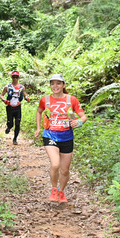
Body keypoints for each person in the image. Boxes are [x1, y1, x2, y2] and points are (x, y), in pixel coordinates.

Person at [34, 74, 87, 203]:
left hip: (67, 137)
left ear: (63, 85)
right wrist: (38, 128)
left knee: (65, 170)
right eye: (53, 83)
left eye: (58, 83)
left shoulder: (72, 99)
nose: (55, 86)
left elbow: (83, 116)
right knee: (55, 163)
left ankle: (61, 192)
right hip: (50, 135)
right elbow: (39, 111)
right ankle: (53, 189)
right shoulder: (45, 100)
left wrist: (79, 122)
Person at [1, 71, 29, 144]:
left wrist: (27, 98)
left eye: (16, 77)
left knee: (17, 123)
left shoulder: (22, 87)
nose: (15, 79)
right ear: (11, 77)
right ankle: (9, 127)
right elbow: (1, 95)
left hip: (18, 107)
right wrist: (4, 100)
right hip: (10, 107)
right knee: (10, 123)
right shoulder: (7, 87)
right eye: (14, 77)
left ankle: (15, 139)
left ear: (18, 78)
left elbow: (25, 94)